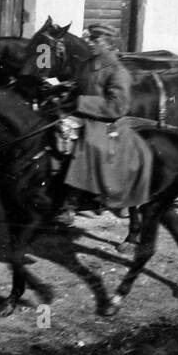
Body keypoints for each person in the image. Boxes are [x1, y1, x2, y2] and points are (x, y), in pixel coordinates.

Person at [54, 25, 152, 225]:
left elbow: (118, 106)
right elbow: (79, 87)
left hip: (105, 123)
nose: (89, 42)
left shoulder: (118, 71)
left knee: (87, 144)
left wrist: (81, 102)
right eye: (89, 38)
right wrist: (61, 93)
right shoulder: (87, 64)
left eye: (94, 39)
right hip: (83, 114)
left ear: (108, 43)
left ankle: (71, 205)